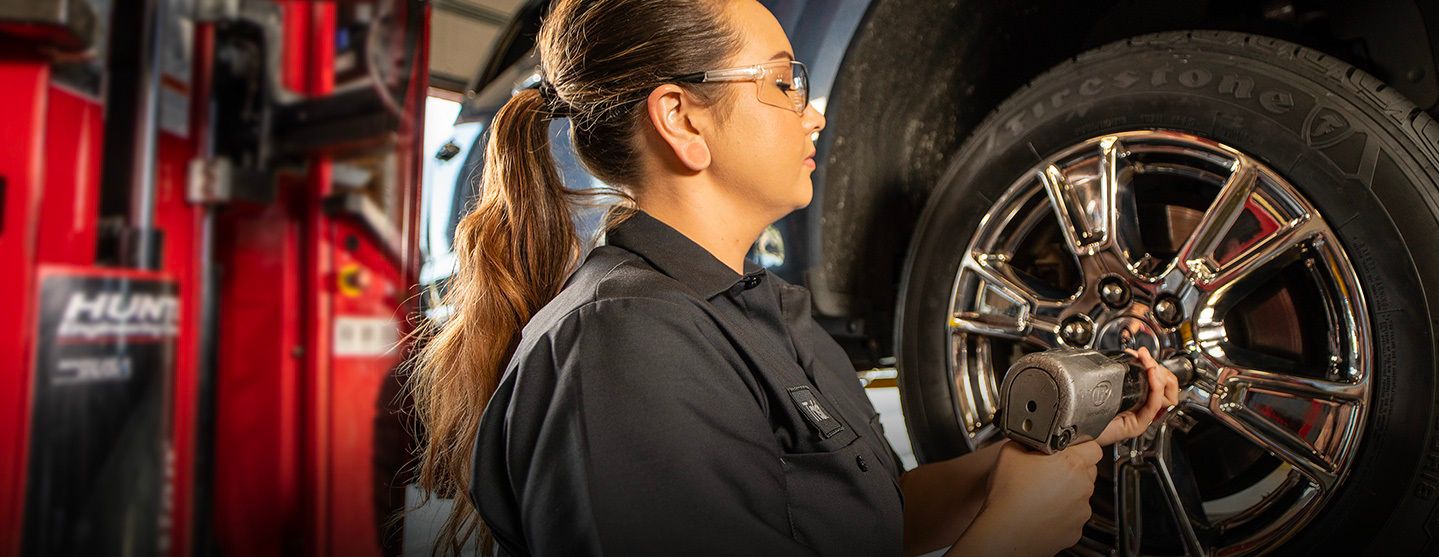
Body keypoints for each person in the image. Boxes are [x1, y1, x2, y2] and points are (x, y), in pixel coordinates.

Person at [407, 1, 1181, 555]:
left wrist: (1018, 464)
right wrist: (1006, 538)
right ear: (682, 120)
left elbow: (858, 519)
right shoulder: (623, 344)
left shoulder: (765, 313)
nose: (811, 115)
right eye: (783, 84)